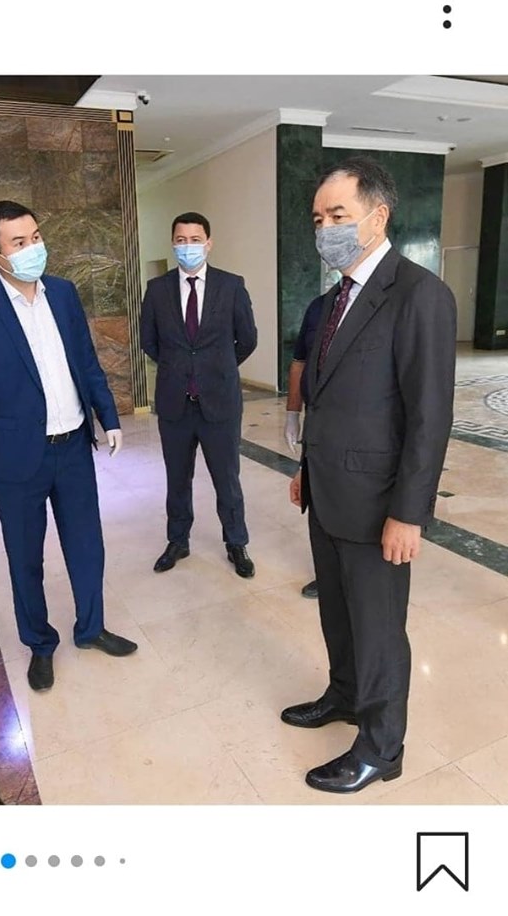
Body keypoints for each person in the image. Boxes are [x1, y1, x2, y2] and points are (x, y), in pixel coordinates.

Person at [284, 156, 456, 794]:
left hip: (379, 502)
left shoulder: (419, 295)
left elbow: (428, 416)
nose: (325, 229)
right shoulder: (333, 299)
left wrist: (409, 513)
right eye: (317, 219)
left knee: (379, 630)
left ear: (377, 217)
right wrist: (306, 469)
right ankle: (346, 695)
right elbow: (329, 398)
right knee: (338, 612)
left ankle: (382, 748)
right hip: (328, 493)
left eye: (339, 216)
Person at [0, 200, 137, 693]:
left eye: (36, 237)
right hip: (18, 459)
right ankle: (40, 644)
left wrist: (108, 418)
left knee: (87, 546)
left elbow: (87, 361)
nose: (33, 249)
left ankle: (91, 628)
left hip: (73, 449)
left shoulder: (64, 294)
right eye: (19, 243)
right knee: (25, 558)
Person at [139, 212, 257, 578]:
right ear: (172, 243)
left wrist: (216, 368)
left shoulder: (231, 285)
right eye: (181, 240)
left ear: (208, 243)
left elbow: (247, 339)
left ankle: (236, 542)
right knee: (177, 479)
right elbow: (149, 341)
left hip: (219, 402)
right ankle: (178, 540)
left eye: (194, 239)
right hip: (175, 404)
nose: (187, 246)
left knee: (227, 479)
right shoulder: (157, 290)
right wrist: (180, 368)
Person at [284, 294, 324, 599]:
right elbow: (300, 362)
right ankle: (326, 575)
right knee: (318, 501)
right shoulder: (320, 306)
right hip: (318, 424)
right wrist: (292, 414)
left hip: (363, 430)